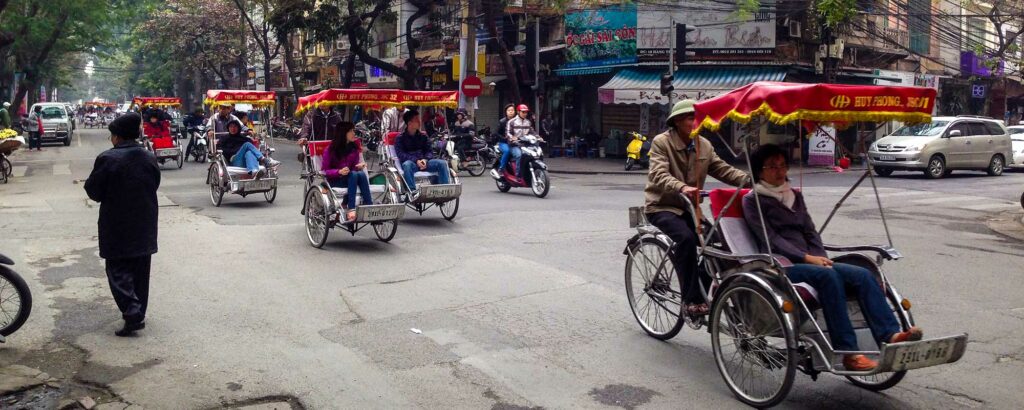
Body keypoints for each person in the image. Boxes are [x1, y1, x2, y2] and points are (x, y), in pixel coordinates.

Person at [742, 144, 923, 371]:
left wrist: (820, 257)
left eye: (782, 166)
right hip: (780, 265)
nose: (780, 171)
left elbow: (810, 232)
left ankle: (890, 334)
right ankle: (848, 353)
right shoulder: (753, 200)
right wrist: (807, 258)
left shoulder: (793, 195)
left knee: (864, 274)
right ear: (759, 171)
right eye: (772, 167)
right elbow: (771, 239)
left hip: (813, 261)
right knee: (829, 278)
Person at [644, 99, 749, 316]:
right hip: (662, 206)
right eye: (691, 118)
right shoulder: (661, 143)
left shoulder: (705, 145)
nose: (696, 123)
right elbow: (658, 174)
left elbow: (724, 170)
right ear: (678, 121)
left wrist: (752, 180)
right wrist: (681, 187)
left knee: (721, 245)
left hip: (691, 210)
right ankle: (690, 300)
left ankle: (699, 288)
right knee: (687, 239)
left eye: (698, 119)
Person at [83, 113, 161, 337]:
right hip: (145, 221)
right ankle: (136, 314)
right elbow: (154, 184)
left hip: (116, 222)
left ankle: (132, 311)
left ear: (117, 137)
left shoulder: (107, 159)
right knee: (140, 270)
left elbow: (94, 191)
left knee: (117, 269)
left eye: (111, 135)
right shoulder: (148, 157)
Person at [322, 121, 373, 221]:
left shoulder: (353, 149)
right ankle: (351, 208)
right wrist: (339, 172)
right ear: (343, 133)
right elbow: (324, 171)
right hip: (335, 181)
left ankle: (369, 205)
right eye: (350, 131)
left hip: (350, 179)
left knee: (361, 174)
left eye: (353, 130)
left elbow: (353, 169)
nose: (354, 133)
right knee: (354, 175)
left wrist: (358, 166)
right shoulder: (330, 150)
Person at [395, 109, 450, 197]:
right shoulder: (400, 138)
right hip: (412, 163)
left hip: (425, 162)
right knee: (406, 165)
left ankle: (444, 190)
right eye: (416, 120)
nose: (419, 122)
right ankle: (412, 192)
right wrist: (416, 161)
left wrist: (425, 159)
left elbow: (429, 151)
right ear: (409, 123)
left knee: (442, 163)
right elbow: (401, 154)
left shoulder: (423, 136)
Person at [505, 104, 534, 178]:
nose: (525, 114)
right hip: (514, 145)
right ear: (518, 112)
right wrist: (513, 138)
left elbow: (532, 132)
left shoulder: (528, 122)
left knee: (535, 154)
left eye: (526, 112)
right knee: (519, 155)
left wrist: (539, 137)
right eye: (523, 112)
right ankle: (518, 175)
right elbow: (507, 133)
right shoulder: (511, 121)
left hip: (526, 144)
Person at [490, 104, 518, 179]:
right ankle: (501, 169)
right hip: (503, 143)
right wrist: (504, 138)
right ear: (506, 112)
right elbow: (495, 132)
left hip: (516, 142)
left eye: (512, 110)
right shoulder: (502, 121)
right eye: (509, 110)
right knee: (507, 151)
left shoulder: (518, 121)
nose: (511, 112)